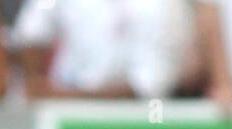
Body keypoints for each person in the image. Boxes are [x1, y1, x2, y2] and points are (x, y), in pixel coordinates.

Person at [12, 0, 194, 101]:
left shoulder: (167, 5)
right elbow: (31, 32)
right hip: (63, 112)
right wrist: (35, 82)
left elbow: (152, 82)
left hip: (141, 119)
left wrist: (74, 98)